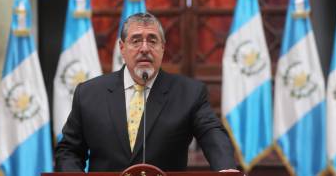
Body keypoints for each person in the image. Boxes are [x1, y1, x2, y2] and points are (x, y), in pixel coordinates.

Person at [55, 12, 237, 172]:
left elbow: (212, 133)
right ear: (122, 48)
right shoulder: (89, 93)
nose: (144, 48)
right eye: (136, 41)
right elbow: (69, 150)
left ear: (162, 48)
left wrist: (226, 168)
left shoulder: (189, 93)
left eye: (152, 40)